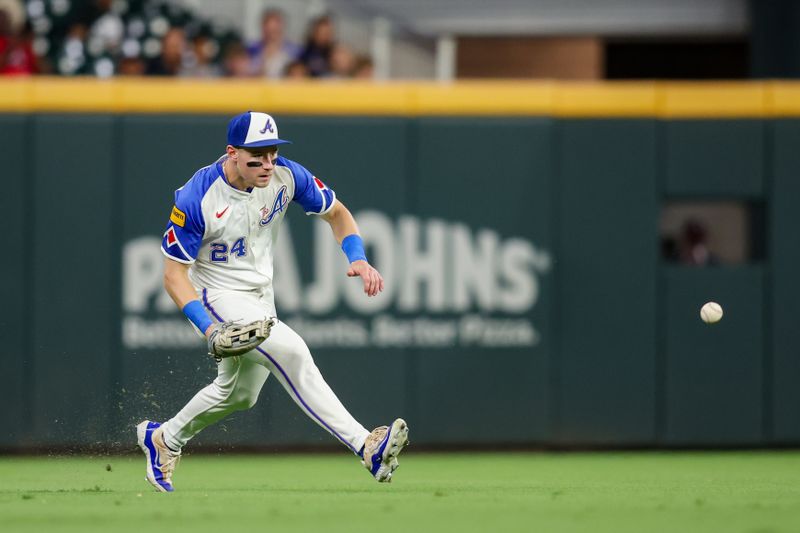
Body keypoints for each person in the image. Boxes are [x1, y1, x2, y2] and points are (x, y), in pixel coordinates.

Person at [136, 111, 409, 492]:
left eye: (272, 153)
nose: (267, 164)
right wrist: (209, 326)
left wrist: (357, 257)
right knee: (294, 352)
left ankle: (164, 439)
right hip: (217, 295)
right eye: (256, 156)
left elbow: (338, 214)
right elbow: (172, 275)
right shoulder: (198, 196)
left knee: (239, 395)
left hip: (261, 296)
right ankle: (366, 445)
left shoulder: (286, 174)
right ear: (232, 153)